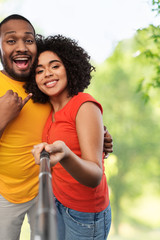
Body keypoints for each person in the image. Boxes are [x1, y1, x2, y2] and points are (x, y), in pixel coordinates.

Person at [0, 14, 113, 240]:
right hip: (6, 190)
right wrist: (1, 118)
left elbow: (74, 113)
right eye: (11, 41)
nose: (21, 47)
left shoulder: (45, 87)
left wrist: (101, 133)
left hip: (51, 191)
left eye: (29, 40)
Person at [27, 35, 111, 240]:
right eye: (39, 70)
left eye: (54, 66)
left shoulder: (84, 104)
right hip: (59, 202)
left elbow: (94, 176)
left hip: (85, 213)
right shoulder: (49, 110)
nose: (47, 74)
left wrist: (65, 155)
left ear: (70, 68)